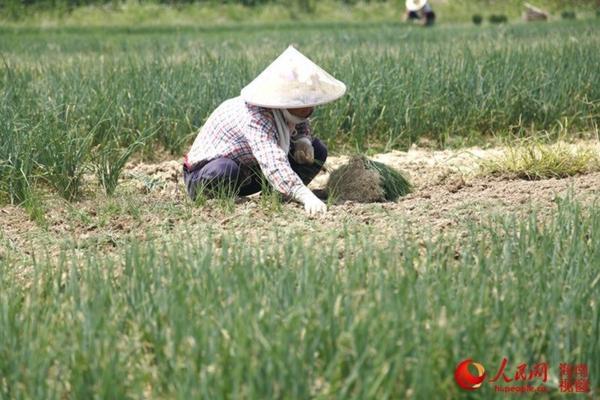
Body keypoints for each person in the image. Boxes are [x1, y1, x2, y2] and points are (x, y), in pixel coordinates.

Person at [183, 46, 346, 216]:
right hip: (206, 174)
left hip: (249, 170)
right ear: (285, 99)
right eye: (302, 101)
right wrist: (304, 194)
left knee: (317, 150)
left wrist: (303, 141)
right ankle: (215, 201)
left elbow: (300, 122)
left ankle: (278, 194)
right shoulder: (256, 117)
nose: (309, 106)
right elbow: (272, 161)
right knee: (226, 169)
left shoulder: (289, 109)